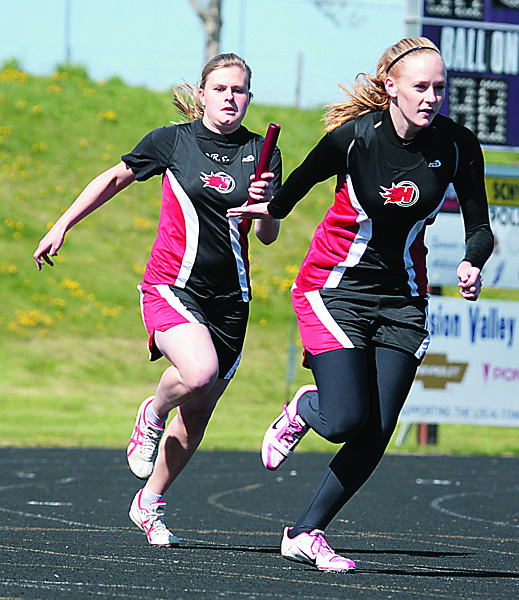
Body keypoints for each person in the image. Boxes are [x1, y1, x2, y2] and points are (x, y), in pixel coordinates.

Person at [227, 37, 494, 571]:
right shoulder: (354, 139)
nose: (431, 97)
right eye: (421, 87)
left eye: (439, 88)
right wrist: (263, 206)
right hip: (334, 288)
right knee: (346, 418)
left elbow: (480, 226)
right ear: (391, 87)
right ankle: (306, 408)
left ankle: (305, 532)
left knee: (377, 431)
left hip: (403, 299)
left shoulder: (459, 145)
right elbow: (291, 192)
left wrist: (471, 261)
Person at [33, 53, 282, 547]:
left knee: (198, 416)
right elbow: (113, 179)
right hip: (171, 284)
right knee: (198, 372)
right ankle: (152, 409)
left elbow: (268, 234)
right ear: (203, 93)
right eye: (221, 89)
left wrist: (268, 201)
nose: (231, 98)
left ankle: (150, 501)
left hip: (231, 298)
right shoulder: (173, 140)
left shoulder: (262, 150)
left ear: (249, 97)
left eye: (239, 91)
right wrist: (63, 224)